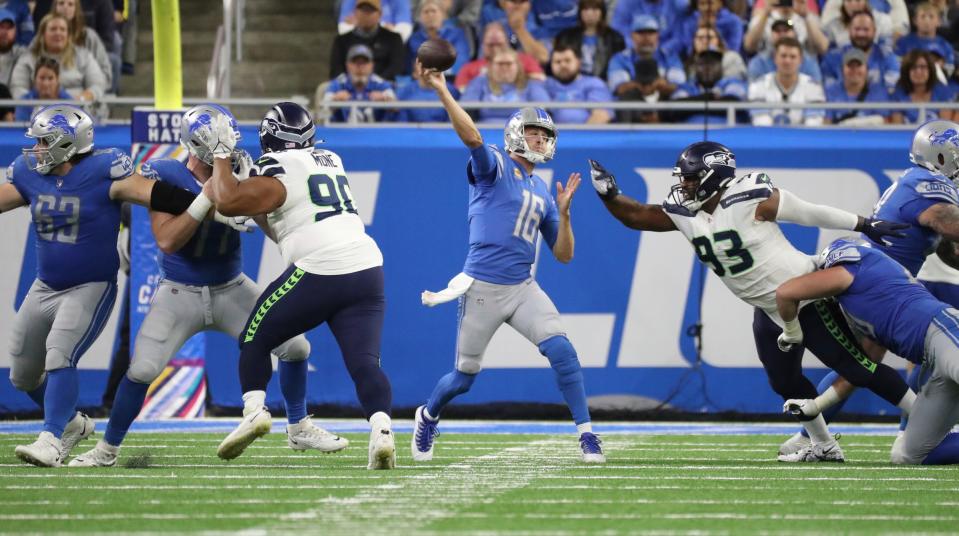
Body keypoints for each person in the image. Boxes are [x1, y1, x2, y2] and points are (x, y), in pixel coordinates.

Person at [588, 142, 914, 462]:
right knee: (783, 380)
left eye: (690, 177)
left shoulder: (747, 198)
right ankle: (823, 444)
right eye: (683, 178)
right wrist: (610, 195)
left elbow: (806, 212)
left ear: (713, 176)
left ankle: (928, 418)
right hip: (768, 307)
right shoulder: (684, 211)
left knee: (857, 368)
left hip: (804, 295)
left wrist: (863, 223)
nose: (683, 185)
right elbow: (636, 216)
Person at [67, 105, 346, 467]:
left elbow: (270, 228)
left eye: (227, 140)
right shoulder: (164, 172)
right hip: (179, 292)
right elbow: (167, 240)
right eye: (215, 142)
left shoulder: (242, 170)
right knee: (142, 370)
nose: (225, 148)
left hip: (232, 287)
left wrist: (257, 212)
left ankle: (298, 427)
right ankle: (106, 450)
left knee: (296, 347)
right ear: (193, 142)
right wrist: (206, 200)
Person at [2, 105, 231, 467]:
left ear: (67, 143)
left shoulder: (103, 171)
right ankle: (74, 424)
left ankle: (51, 437)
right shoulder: (30, 174)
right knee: (22, 374)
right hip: (44, 286)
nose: (37, 149)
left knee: (60, 352)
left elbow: (158, 195)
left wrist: (217, 210)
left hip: (90, 285)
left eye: (45, 141)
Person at [412, 65, 605, 464]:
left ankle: (587, 435)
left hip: (522, 287)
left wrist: (565, 215)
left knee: (563, 351)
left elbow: (564, 254)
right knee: (463, 379)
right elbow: (472, 138)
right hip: (482, 286)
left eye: (546, 135)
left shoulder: (542, 189)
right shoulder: (495, 165)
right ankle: (428, 415)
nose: (541, 139)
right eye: (535, 132)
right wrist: (444, 92)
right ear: (517, 133)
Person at [205, 102, 396, 470]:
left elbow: (227, 200)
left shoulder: (277, 167)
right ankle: (382, 430)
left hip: (320, 268)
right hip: (367, 266)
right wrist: (255, 203)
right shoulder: (330, 159)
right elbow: (285, 223)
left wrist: (222, 156)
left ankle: (254, 412)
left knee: (255, 338)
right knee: (364, 363)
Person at [780, 120, 959, 455]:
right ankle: (815, 435)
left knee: (863, 361)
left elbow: (950, 249)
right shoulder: (927, 183)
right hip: (882, 285)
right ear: (939, 156)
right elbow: (950, 224)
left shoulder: (916, 183)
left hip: (878, 281)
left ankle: (811, 434)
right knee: (890, 357)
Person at [776, 238, 959, 465]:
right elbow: (861, 369)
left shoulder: (852, 267)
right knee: (909, 455)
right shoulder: (867, 295)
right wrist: (817, 405)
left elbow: (785, 293)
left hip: (946, 333)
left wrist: (791, 333)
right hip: (934, 360)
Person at [9, 13, 107, 102]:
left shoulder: (84, 56)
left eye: (62, 29)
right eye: (53, 29)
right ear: (43, 34)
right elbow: (18, 87)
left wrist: (81, 99)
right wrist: (32, 104)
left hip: (77, 110)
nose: (58, 33)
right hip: (36, 112)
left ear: (68, 35)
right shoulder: (28, 58)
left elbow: (97, 85)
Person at [748, 37, 825, 126]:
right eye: (783, 56)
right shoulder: (759, 85)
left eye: (793, 57)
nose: (787, 61)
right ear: (775, 58)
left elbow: (813, 125)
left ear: (801, 60)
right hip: (769, 138)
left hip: (802, 138)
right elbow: (762, 124)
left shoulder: (813, 87)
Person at [461, 47, 550, 122]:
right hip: (484, 132)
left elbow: (543, 111)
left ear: (518, 66)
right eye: (500, 64)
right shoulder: (479, 82)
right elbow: (468, 109)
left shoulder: (531, 84)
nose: (504, 67)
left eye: (508, 64)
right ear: (491, 66)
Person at [820, 11, 899, 92]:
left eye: (866, 29)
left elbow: (890, 93)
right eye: (857, 29)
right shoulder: (832, 57)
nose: (861, 34)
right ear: (849, 30)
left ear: (874, 31)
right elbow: (829, 93)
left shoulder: (888, 57)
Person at [455, 21, 545, 92]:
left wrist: (516, 77)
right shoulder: (469, 67)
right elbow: (461, 90)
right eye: (491, 45)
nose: (495, 49)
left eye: (499, 44)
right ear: (483, 45)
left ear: (507, 42)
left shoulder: (525, 60)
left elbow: (540, 79)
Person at [329, 0, 406, 82]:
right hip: (348, 87)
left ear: (380, 14)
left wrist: (377, 83)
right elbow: (336, 70)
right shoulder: (341, 40)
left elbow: (396, 68)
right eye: (362, 10)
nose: (366, 14)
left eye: (370, 10)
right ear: (355, 13)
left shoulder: (394, 39)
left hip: (384, 87)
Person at [50, 0, 114, 94]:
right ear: (54, 7)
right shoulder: (42, 37)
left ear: (77, 9)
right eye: (61, 3)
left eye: (70, 4)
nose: (65, 7)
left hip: (85, 97)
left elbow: (106, 73)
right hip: (47, 99)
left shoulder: (90, 37)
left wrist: (90, 91)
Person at [553, 0, 626, 80]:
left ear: (602, 12)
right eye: (585, 9)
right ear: (580, 12)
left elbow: (619, 64)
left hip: (603, 81)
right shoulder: (566, 37)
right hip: (572, 81)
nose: (590, 14)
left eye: (595, 9)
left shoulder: (615, 38)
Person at [323, 44, 396, 123]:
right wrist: (335, 100)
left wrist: (385, 99)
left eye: (364, 62)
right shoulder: (338, 83)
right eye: (355, 62)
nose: (360, 67)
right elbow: (323, 109)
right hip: (342, 132)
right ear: (347, 65)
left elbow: (396, 107)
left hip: (375, 133)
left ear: (372, 65)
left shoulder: (380, 83)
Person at [544, 44, 613, 124]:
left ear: (578, 62)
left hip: (585, 135)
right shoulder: (545, 84)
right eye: (557, 62)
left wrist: (581, 136)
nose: (563, 65)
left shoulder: (594, 83)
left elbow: (601, 116)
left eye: (567, 60)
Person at [823, 48, 890, 125]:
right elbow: (827, 123)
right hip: (840, 136)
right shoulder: (831, 91)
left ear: (867, 69)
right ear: (842, 69)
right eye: (850, 66)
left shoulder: (878, 91)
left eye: (859, 65)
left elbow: (884, 122)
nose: (854, 70)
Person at [746, 19, 822, 83]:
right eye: (778, 31)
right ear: (771, 35)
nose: (782, 34)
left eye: (786, 30)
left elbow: (816, 89)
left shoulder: (809, 62)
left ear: (794, 34)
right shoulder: (759, 62)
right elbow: (753, 91)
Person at [406, 0, 470, 76]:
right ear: (420, 17)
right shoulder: (414, 39)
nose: (430, 15)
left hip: (451, 79)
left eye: (434, 11)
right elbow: (409, 66)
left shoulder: (457, 34)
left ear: (443, 15)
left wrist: (437, 73)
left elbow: (462, 61)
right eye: (426, 12)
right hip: (422, 80)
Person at [889, 50, 954, 124]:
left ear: (930, 70)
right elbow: (898, 129)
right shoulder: (898, 93)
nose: (918, 71)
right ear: (906, 72)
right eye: (913, 67)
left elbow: (945, 126)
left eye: (923, 67)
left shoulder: (942, 91)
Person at [391, 58, 460, 122]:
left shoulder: (451, 90)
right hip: (413, 133)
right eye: (422, 66)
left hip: (444, 133)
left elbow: (455, 119)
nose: (426, 70)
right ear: (414, 74)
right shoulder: (405, 91)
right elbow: (401, 122)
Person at [14, 56, 71, 122]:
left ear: (57, 80)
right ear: (35, 79)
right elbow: (20, 129)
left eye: (50, 78)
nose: (46, 84)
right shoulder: (24, 102)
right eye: (42, 78)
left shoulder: (69, 102)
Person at [0, 8, 24, 86]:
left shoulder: (21, 54)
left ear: (15, 32)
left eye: (9, 28)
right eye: (1, 27)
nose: (5, 32)